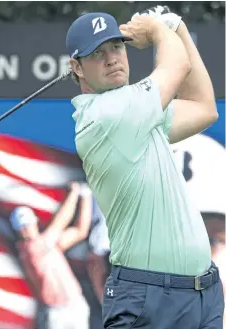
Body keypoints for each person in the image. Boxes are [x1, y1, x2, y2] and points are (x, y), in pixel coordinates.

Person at [66, 5, 223, 329]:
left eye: (116, 46)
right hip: (147, 298)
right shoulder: (106, 115)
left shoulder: (137, 112)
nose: (111, 58)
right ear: (76, 68)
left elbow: (203, 107)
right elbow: (176, 64)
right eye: (97, 53)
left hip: (202, 293)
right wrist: (156, 29)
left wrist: (175, 26)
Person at [9, 182, 92, 329]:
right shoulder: (29, 249)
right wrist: (74, 193)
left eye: (27, 224)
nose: (26, 230)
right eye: (22, 227)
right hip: (56, 313)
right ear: (17, 231)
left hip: (76, 305)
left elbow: (81, 230)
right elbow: (61, 221)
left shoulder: (49, 246)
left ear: (35, 222)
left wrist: (86, 196)